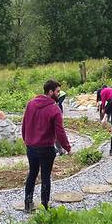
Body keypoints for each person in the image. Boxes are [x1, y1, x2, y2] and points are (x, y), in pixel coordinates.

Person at [21, 80, 71, 212]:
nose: (59, 94)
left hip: (31, 147)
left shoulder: (30, 104)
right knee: (45, 177)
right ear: (50, 92)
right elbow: (60, 132)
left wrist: (26, 140)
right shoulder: (55, 109)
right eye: (57, 91)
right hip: (46, 149)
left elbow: (24, 124)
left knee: (32, 173)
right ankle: (44, 206)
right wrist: (67, 147)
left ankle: (28, 203)